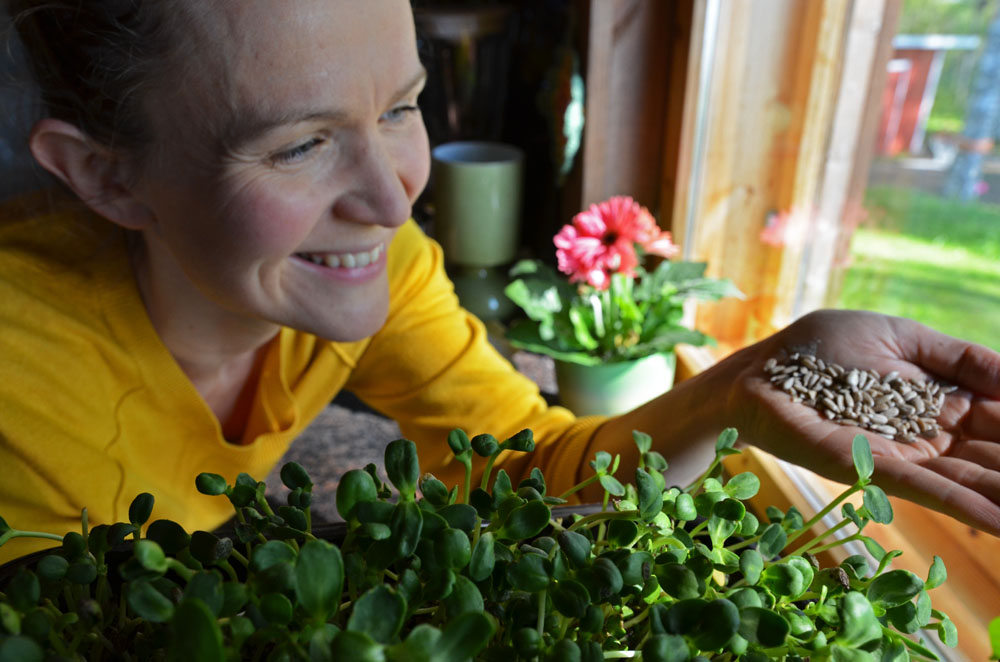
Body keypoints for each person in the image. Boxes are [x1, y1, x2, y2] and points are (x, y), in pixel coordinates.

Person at [1, 0, 998, 566]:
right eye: (300, 143)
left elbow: (522, 461)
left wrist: (748, 386)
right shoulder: (22, 387)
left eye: (399, 108)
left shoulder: (370, 271)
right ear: (107, 174)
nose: (394, 199)